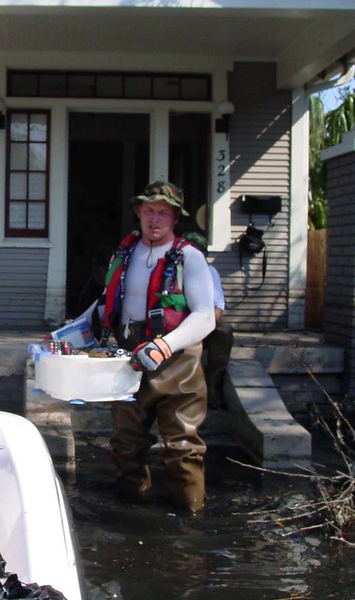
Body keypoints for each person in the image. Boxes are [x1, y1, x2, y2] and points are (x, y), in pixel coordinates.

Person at [87, 181, 215, 512]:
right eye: (148, 211)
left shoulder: (191, 258)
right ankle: (135, 514)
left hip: (178, 364)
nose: (154, 219)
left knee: (183, 448)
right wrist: (71, 332)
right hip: (129, 359)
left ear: (175, 218)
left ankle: (190, 519)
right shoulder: (124, 253)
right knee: (125, 446)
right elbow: (106, 303)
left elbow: (205, 318)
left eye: (162, 213)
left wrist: (164, 346)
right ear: (138, 213)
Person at [183, 231, 235, 408]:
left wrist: (206, 323)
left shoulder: (210, 271)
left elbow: (218, 304)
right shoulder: (171, 270)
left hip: (202, 322)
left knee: (224, 331)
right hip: (176, 324)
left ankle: (213, 388)